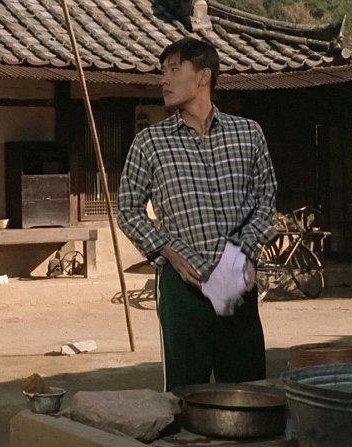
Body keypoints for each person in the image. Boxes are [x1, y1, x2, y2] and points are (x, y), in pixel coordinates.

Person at [117, 37, 278, 392]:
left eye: (174, 70)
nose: (164, 80)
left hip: (237, 279)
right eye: (163, 71)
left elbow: (266, 201)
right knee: (185, 394)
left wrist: (244, 254)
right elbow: (127, 209)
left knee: (247, 392)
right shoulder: (150, 142)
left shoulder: (248, 134)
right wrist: (169, 252)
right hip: (182, 283)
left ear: (203, 76)